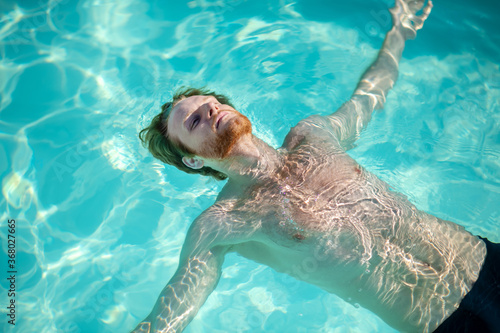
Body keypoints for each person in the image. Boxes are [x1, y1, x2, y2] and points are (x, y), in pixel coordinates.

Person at [132, 0, 500, 332]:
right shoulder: (223, 221)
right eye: (194, 122)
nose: (208, 109)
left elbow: (369, 97)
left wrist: (398, 34)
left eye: (208, 101)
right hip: (444, 323)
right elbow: (172, 312)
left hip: (483, 261)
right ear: (194, 160)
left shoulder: (312, 135)